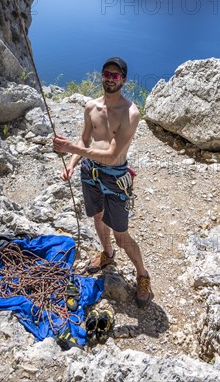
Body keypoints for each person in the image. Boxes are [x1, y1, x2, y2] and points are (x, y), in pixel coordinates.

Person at [53, 57, 154, 307]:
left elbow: (112, 153)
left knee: (121, 235)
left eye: (116, 75)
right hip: (90, 173)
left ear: (123, 80)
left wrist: (71, 148)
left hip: (115, 176)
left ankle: (142, 274)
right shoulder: (91, 107)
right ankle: (107, 255)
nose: (110, 78)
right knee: (97, 217)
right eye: (107, 74)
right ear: (102, 76)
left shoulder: (130, 113)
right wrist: (72, 163)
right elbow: (85, 139)